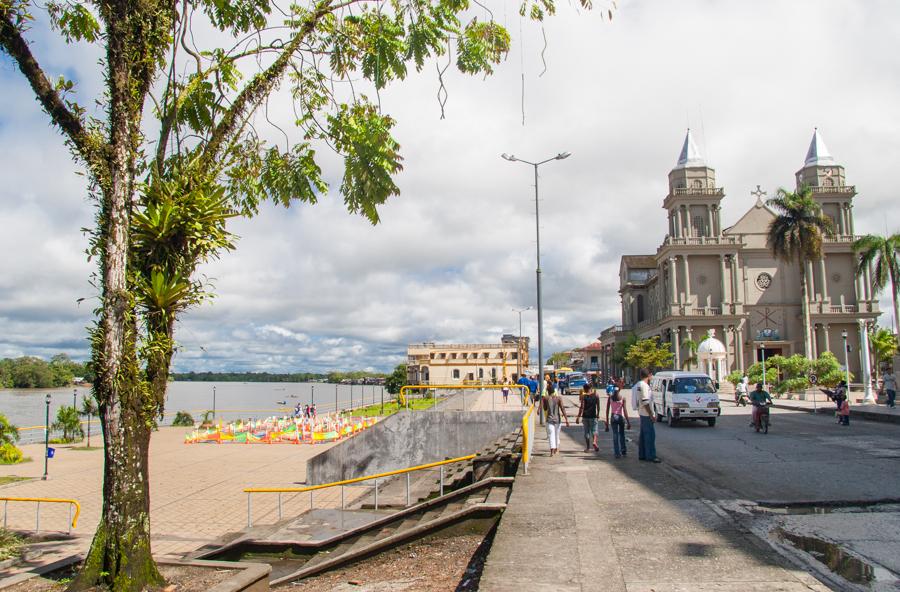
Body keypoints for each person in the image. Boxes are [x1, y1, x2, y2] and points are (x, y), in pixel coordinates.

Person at [632, 368, 660, 463]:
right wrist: (651, 414)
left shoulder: (639, 385)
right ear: (649, 375)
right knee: (650, 436)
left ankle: (642, 454)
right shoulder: (643, 386)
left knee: (643, 435)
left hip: (642, 413)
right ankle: (651, 455)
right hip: (646, 414)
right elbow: (645, 402)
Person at [542, 384, 569, 456]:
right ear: (554, 391)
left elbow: (545, 408)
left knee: (551, 435)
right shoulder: (559, 398)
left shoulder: (545, 398)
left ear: (547, 391)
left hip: (549, 419)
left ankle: (552, 451)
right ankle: (556, 449)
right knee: (556, 435)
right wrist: (566, 420)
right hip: (557, 420)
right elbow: (562, 409)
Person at [605, 383, 631, 458]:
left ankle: (617, 453)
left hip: (613, 417)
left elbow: (607, 410)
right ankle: (623, 450)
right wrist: (628, 422)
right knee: (622, 434)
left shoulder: (610, 398)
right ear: (619, 389)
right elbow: (625, 411)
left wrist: (607, 422)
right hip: (620, 417)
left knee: (615, 435)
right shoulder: (622, 398)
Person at [575, 384, 600, 452]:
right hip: (593, 416)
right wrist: (598, 414)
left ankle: (588, 448)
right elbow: (598, 406)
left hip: (585, 416)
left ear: (585, 389)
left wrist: (578, 417)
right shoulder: (596, 395)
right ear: (590, 388)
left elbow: (582, 407)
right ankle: (594, 442)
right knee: (594, 430)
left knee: (587, 432)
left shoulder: (584, 396)